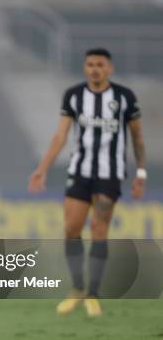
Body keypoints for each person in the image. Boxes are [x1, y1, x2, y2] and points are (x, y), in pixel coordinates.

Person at [28, 48, 146, 317]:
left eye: (100, 65)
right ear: (85, 68)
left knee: (99, 229)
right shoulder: (74, 95)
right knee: (71, 229)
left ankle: (93, 293)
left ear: (109, 68)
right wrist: (42, 169)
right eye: (90, 64)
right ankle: (77, 290)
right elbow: (60, 135)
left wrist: (140, 174)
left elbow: (137, 138)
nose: (95, 69)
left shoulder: (123, 97)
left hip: (110, 174)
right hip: (80, 172)